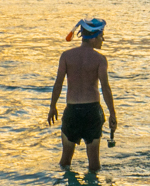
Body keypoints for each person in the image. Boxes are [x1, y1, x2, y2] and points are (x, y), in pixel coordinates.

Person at [47, 18, 118, 173]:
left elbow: (58, 83)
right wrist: (112, 113)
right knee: (94, 164)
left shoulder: (66, 56)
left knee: (65, 160)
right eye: (101, 36)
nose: (103, 40)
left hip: (72, 111)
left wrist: (52, 107)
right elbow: (105, 88)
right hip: (92, 112)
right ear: (93, 38)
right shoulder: (100, 59)